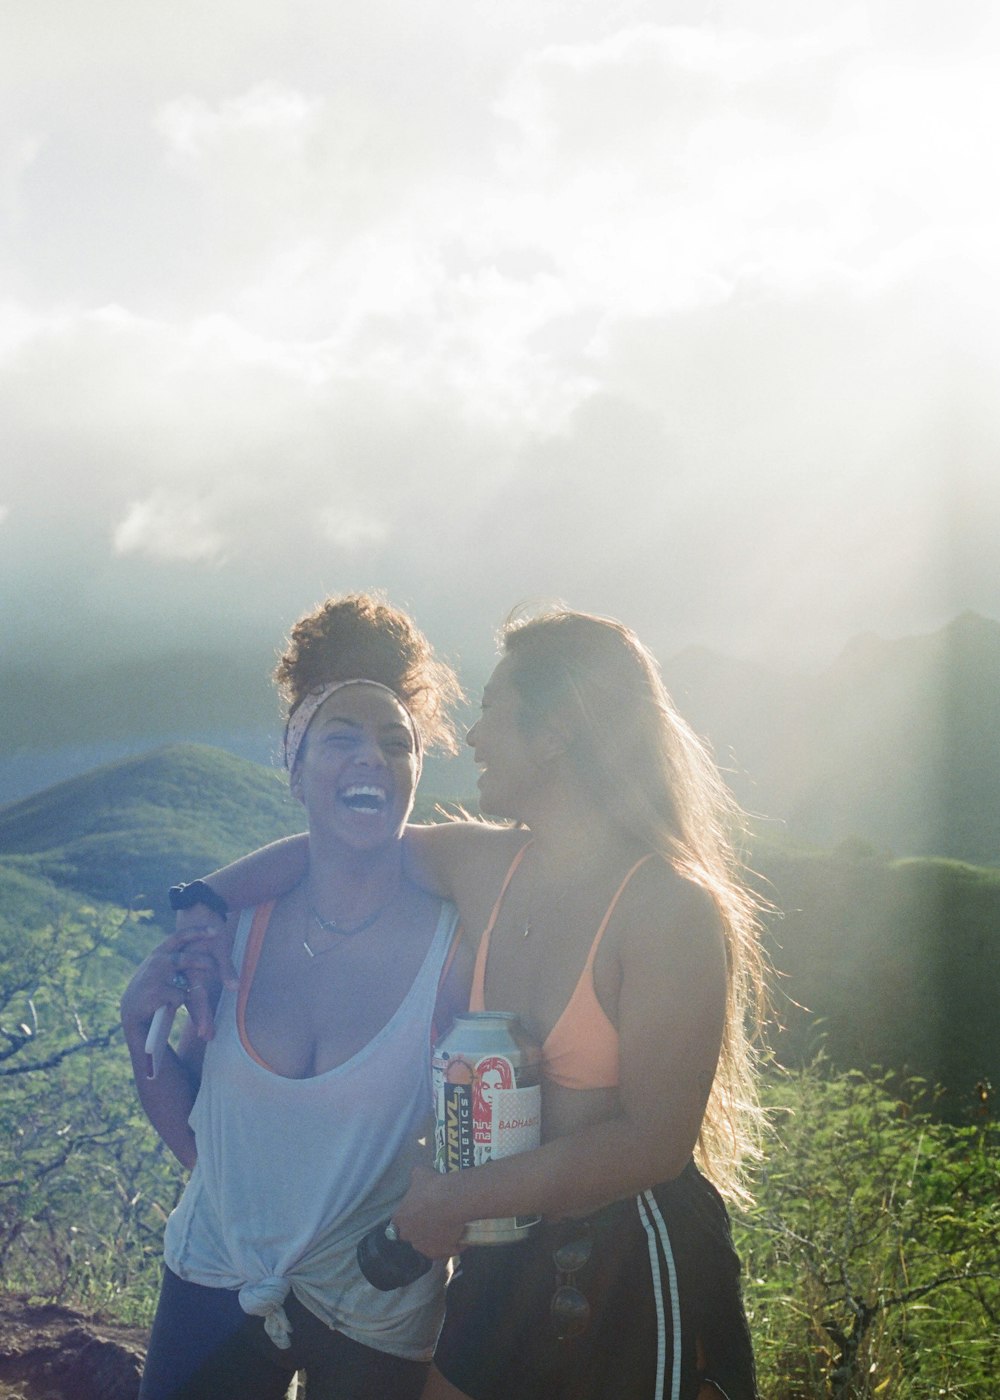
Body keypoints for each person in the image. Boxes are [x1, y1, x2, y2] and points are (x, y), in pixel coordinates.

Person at [188, 607, 766, 1400]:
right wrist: (198, 910)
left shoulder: (670, 908)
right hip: (504, 1251)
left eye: (492, 707)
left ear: (556, 729)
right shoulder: (485, 864)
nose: (470, 737)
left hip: (636, 1258)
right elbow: (336, 848)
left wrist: (460, 1198)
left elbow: (655, 1143)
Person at [120, 594, 470, 1400]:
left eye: (395, 744)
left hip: (377, 1306)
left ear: (415, 771)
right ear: (295, 767)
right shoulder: (230, 934)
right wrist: (136, 1028)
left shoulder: (455, 948)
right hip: (213, 1275)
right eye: (340, 741)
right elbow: (202, 1138)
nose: (370, 760)